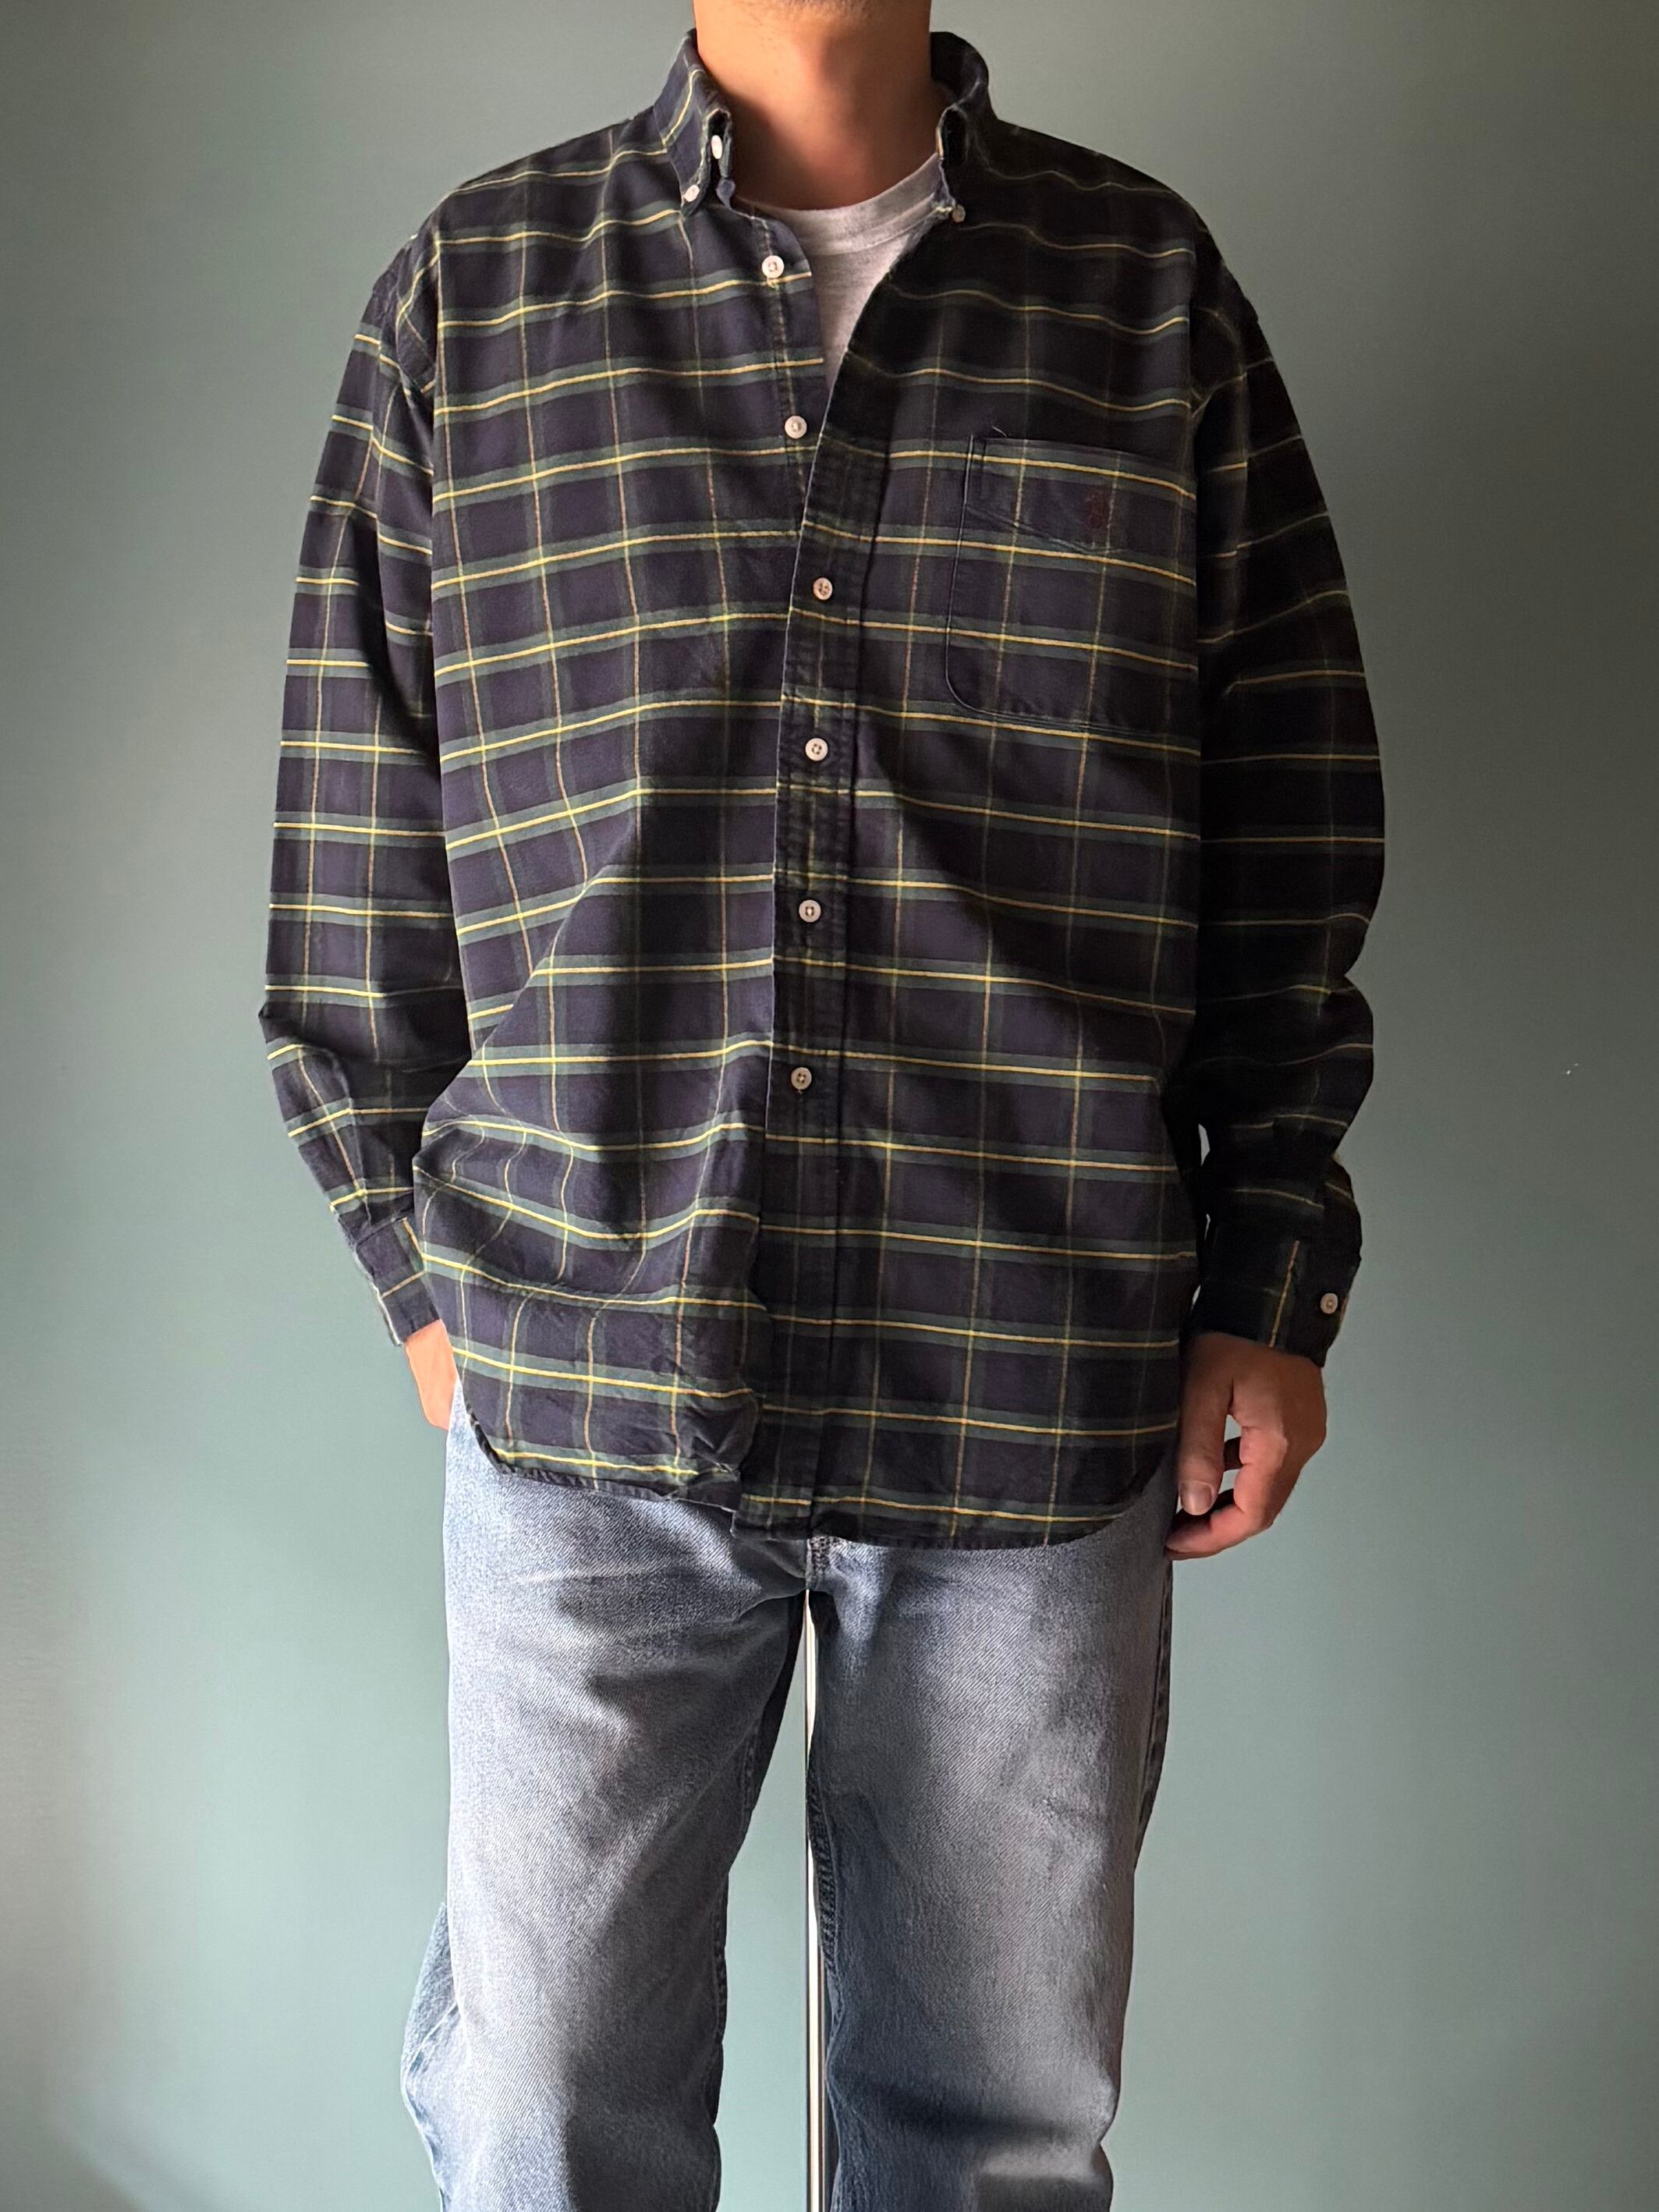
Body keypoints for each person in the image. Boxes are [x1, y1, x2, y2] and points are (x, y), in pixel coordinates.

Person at [258, 2, 1383, 2203]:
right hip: (586, 1385)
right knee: (542, 2120)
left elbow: (1286, 816)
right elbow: (354, 844)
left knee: (994, 2141)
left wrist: (1272, 1274)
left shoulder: (1145, 296)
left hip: (1030, 1379)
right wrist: (415, 1272)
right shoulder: (480, 300)